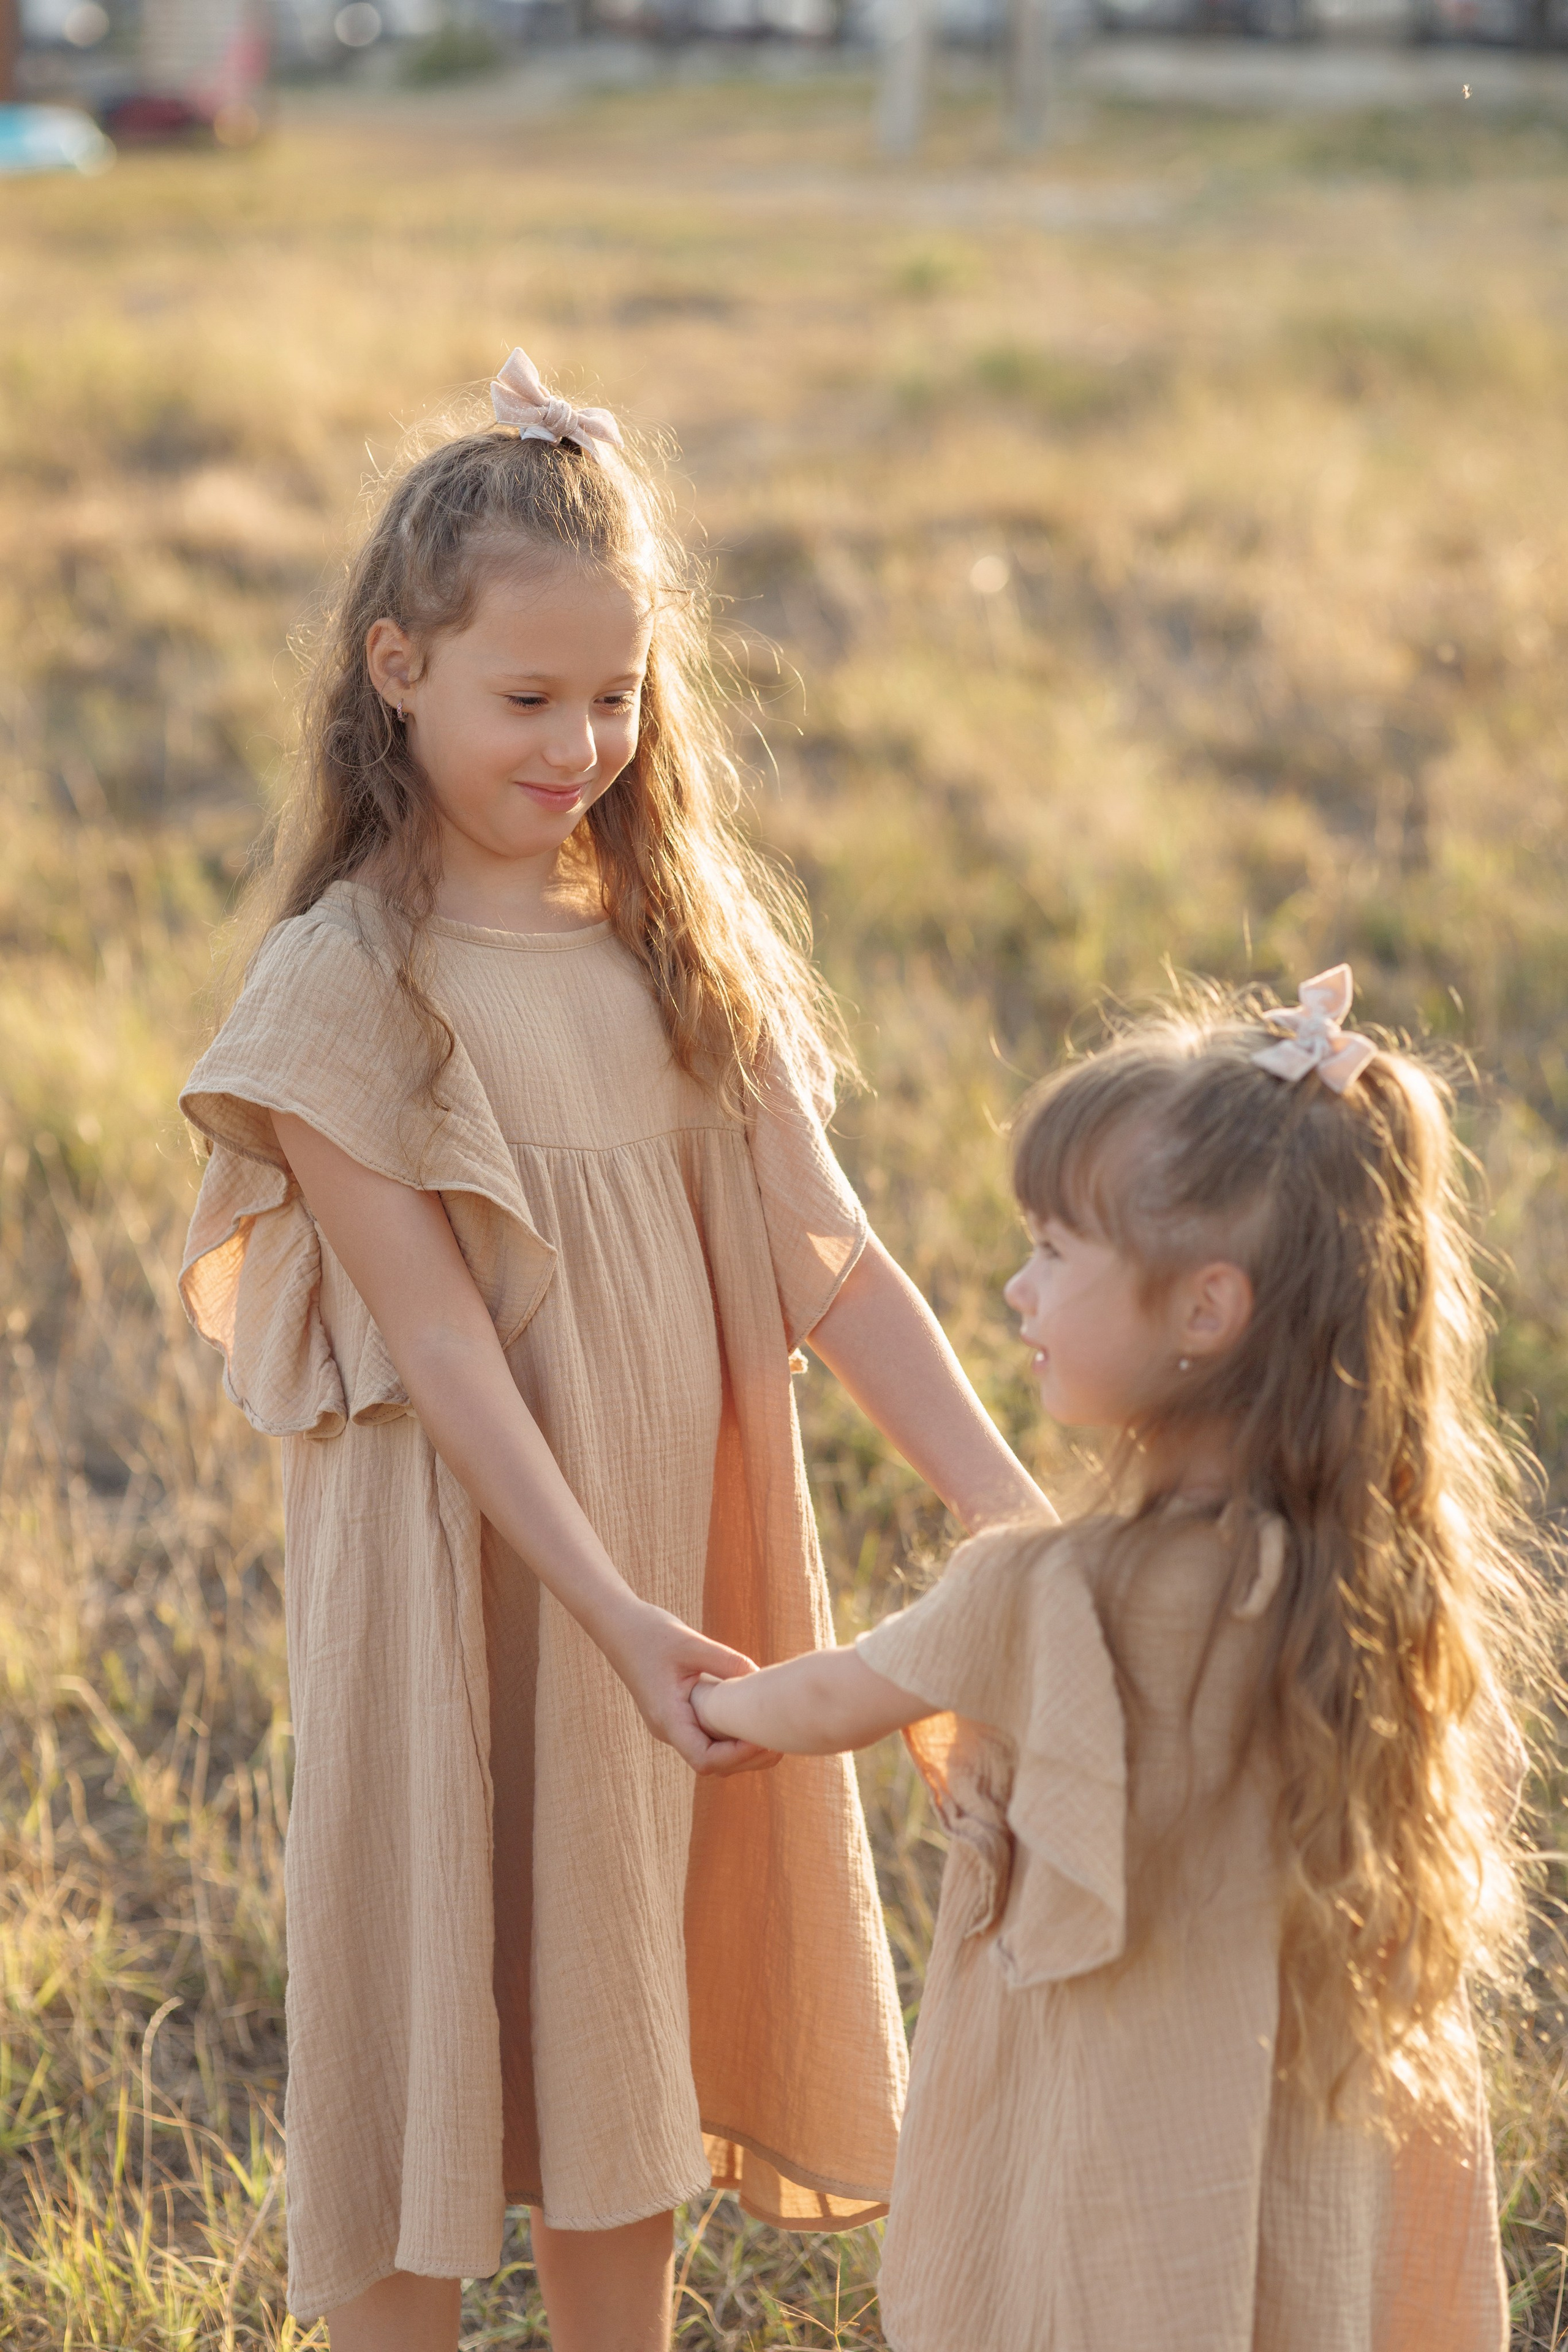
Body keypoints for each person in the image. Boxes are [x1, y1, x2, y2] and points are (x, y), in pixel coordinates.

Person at [176, 348, 1049, 2351]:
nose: (584, 743)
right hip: (475, 1580)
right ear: (396, 669)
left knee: (617, 2010)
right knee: (429, 1993)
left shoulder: (677, 941)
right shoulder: (342, 989)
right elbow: (436, 1342)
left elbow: (833, 1264)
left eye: (620, 696)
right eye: (529, 697)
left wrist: (1010, 1518)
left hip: (685, 1560)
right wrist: (612, 1611)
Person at [695, 967, 1538, 2352]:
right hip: (1298, 2127)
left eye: (1052, 1251)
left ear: (1204, 1313)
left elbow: (843, 1692)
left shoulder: (1046, 1592)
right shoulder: (1389, 1593)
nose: (1016, 1286)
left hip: (1104, 2151)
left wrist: (714, 1700)